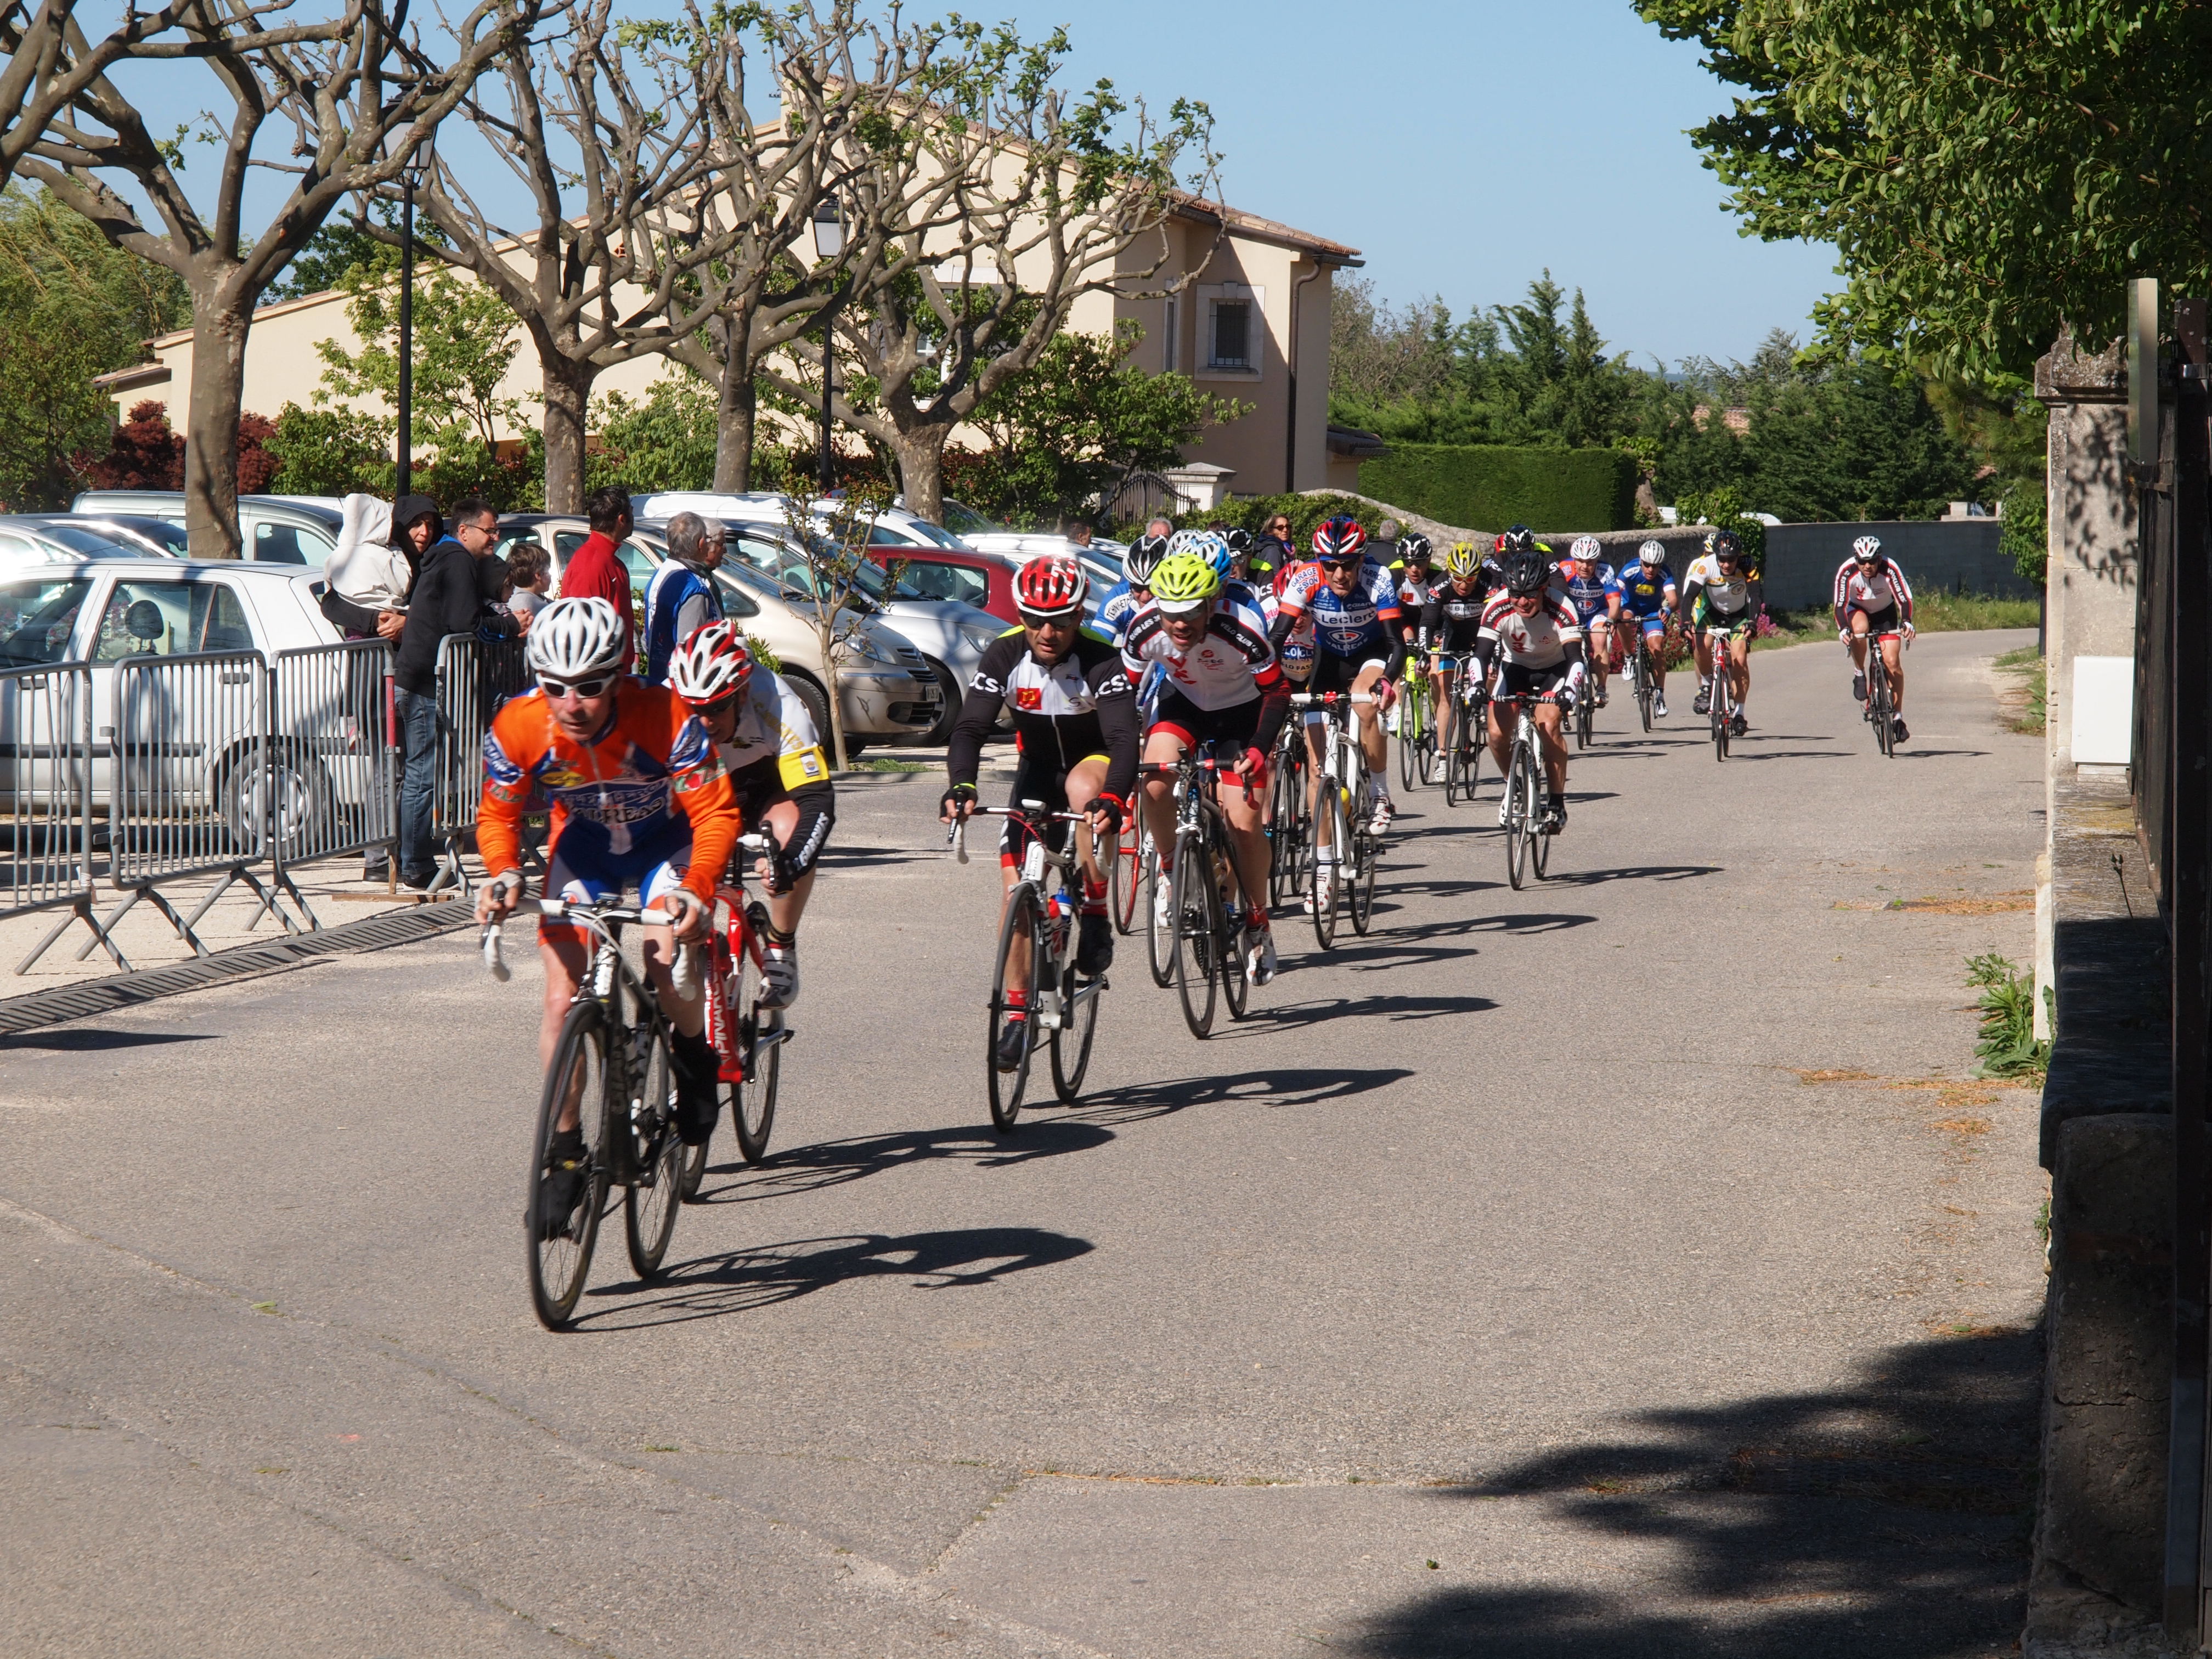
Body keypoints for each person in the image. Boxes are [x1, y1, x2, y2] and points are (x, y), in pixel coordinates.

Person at [475, 599, 736, 1230]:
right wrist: (504, 870)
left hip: (664, 846)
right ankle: (565, 1154)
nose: (573, 704)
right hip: (585, 851)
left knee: (664, 959)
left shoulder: (664, 715)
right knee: (560, 1001)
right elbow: (497, 814)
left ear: (617, 676)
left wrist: (697, 889)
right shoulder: (517, 725)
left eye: (590, 686)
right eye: (556, 687)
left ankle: (695, 1055)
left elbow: (714, 813)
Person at [941, 558, 1139, 1065]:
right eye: (1035, 620)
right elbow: (970, 729)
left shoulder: (1101, 659)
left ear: (1080, 616)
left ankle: (1094, 910)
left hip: (1093, 762)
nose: (1047, 633)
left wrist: (1115, 797)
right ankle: (1016, 1016)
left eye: (1061, 621)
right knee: (1016, 896)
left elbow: (1123, 739)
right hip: (1036, 771)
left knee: (1082, 789)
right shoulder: (1005, 653)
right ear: (1021, 616)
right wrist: (961, 785)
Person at [1122, 549, 1290, 986]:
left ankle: (1258, 920)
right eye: (1171, 613)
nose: (1180, 624)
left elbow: (1277, 691)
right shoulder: (1143, 628)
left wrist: (1259, 749)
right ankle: (1170, 870)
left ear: (1212, 604)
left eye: (1192, 612)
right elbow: (1121, 698)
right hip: (1184, 706)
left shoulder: (1242, 627)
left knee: (1245, 824)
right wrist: (1119, 764)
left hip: (1242, 714)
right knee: (1153, 781)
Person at [665, 619, 834, 1009]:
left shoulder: (778, 703)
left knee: (788, 832)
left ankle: (781, 944)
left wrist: (791, 862)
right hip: (701, 794)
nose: (704, 722)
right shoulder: (664, 703)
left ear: (742, 693)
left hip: (762, 791)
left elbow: (817, 801)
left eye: (716, 708)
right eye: (693, 709)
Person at [392, 497, 524, 889]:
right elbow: (465, 622)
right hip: (424, 683)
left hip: (426, 680)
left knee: (423, 772)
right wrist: (511, 627)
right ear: (464, 531)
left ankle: (415, 857)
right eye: (490, 531)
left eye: (497, 530)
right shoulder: (456, 560)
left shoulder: (450, 558)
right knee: (422, 774)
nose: (495, 538)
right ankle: (415, 864)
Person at [1269, 514, 1404, 837]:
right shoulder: (1305, 578)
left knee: (1365, 703)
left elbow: (1396, 644)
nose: (1339, 574)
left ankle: (1380, 793)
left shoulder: (1378, 577)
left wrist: (1386, 681)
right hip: (1328, 657)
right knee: (1316, 767)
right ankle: (1325, 859)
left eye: (1347, 564)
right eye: (1330, 566)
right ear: (1320, 562)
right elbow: (1277, 638)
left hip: (1370, 654)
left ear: (1361, 560)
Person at [1475, 548, 1585, 832]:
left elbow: (1576, 659)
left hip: (1555, 668)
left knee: (1548, 726)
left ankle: (1557, 802)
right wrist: (1476, 686)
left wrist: (1570, 691)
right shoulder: (1498, 606)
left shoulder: (1562, 607)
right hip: (1516, 666)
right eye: (1516, 594)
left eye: (1530, 594)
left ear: (1544, 589)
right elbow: (1481, 655)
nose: (1522, 602)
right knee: (1496, 734)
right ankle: (1513, 785)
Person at [1418, 541, 1500, 780]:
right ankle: (1443, 758)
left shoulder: (1488, 583)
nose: (1464, 585)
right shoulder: (1440, 585)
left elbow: (1498, 620)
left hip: (1481, 632)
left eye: (1470, 579)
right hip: (1453, 634)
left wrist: (1495, 655)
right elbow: (1427, 623)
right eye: (1459, 579)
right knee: (1446, 696)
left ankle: (1483, 704)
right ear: (1449, 573)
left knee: (1491, 669)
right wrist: (1424, 653)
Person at [1833, 534, 1916, 743]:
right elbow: (1840, 605)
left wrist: (1907, 622)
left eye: (1872, 561)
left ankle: (1898, 718)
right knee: (1859, 629)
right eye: (1862, 561)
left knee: (1893, 663)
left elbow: (1904, 599)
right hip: (1857, 610)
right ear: (1856, 560)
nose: (1867, 566)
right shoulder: (1847, 571)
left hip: (1884, 612)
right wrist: (1844, 629)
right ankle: (1860, 673)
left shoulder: (1890, 568)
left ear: (1879, 558)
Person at [321, 493, 434, 641]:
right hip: (383, 637)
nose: (424, 533)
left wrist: (406, 622)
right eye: (416, 524)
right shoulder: (383, 556)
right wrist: (377, 619)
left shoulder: (335, 557)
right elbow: (330, 603)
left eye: (430, 525)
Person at [1680, 528, 1757, 733]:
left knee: (1740, 658)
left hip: (1738, 615)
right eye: (1722, 559)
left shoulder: (1748, 565)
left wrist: (1752, 622)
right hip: (1711, 613)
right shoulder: (1706, 566)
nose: (1726, 564)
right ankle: (1707, 684)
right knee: (1701, 644)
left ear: (1738, 556)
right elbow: (1689, 597)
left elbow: (1756, 595)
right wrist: (1685, 622)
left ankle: (1739, 713)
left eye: (1731, 560)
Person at [643, 511, 725, 684]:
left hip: (659, 678)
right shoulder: (692, 587)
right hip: (684, 686)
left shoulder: (661, 575)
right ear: (701, 544)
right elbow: (690, 652)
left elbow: (647, 638)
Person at [562, 486, 637, 672]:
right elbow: (581, 634)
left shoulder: (608, 561)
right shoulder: (591, 564)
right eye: (632, 512)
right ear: (622, 519)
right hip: (599, 679)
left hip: (614, 676)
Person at [1553, 534, 1623, 708]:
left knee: (1600, 639)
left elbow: (1615, 601)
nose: (1585, 566)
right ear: (1574, 559)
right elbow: (1555, 597)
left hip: (1597, 612)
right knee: (1565, 648)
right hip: (1573, 614)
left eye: (1590, 562)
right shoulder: (1564, 568)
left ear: (1596, 561)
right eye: (1581, 561)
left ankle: (1601, 688)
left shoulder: (1605, 571)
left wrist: (1610, 620)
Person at [1615, 539, 1680, 718]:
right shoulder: (1630, 569)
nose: (1651, 569)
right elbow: (1615, 592)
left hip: (1652, 611)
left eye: (1655, 566)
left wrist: (1667, 609)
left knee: (1656, 648)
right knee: (1623, 620)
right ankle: (1629, 658)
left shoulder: (1665, 573)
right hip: (1630, 607)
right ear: (1641, 561)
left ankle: (1660, 695)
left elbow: (1673, 599)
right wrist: (1612, 615)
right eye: (1647, 565)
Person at [1098, 529, 1170, 649]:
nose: (1145, 597)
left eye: (1153, 587)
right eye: (1137, 587)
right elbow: (1098, 647)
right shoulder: (1117, 598)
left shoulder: (1179, 600)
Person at [505, 542, 552, 620]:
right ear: (538, 575)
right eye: (548, 571)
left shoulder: (533, 598)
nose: (551, 575)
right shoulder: (525, 606)